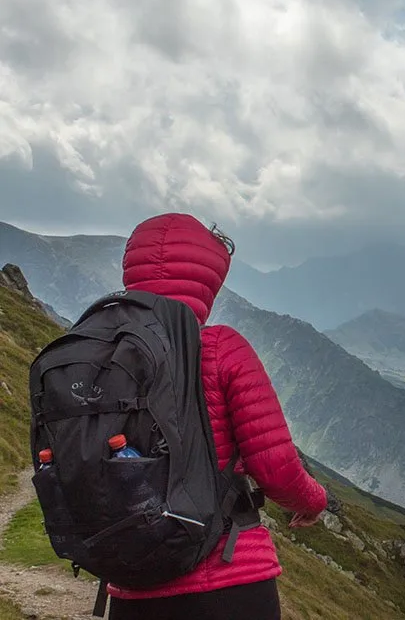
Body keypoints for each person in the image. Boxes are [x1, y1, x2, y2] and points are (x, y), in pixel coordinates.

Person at [105, 212, 327, 620]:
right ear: (207, 278)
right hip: (228, 575)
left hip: (132, 582)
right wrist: (314, 501)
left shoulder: (102, 353)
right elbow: (275, 467)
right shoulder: (223, 347)